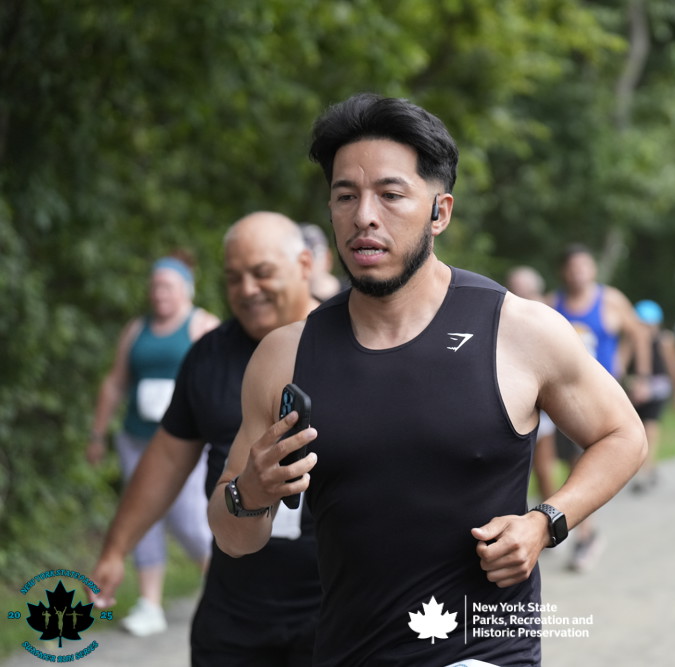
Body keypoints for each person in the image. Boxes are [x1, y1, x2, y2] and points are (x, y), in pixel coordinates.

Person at [208, 93, 647, 667]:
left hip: (485, 650)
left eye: (390, 195)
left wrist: (545, 522)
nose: (364, 215)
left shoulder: (518, 330)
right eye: (346, 195)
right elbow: (235, 537)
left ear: (440, 212)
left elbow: (623, 435)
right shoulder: (285, 355)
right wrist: (251, 491)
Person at [90, 212, 323, 665]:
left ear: (304, 265)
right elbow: (166, 459)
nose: (247, 289)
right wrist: (116, 549)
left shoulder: (354, 343)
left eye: (262, 273)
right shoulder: (209, 355)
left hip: (336, 609)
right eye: (234, 278)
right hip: (235, 609)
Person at [87, 252, 219, 636]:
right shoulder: (136, 329)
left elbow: (221, 381)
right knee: (141, 516)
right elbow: (115, 382)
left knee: (191, 520)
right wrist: (97, 433)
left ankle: (225, 585)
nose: (160, 293)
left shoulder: (202, 325)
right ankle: (149, 604)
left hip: (185, 442)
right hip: (136, 438)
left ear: (185, 290)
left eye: (168, 286)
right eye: (155, 286)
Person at [548, 243, 651, 571]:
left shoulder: (610, 300)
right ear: (564, 271)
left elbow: (639, 333)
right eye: (572, 266)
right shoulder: (552, 303)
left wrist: (639, 373)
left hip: (601, 396)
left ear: (593, 269)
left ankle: (585, 536)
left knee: (585, 463)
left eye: (584, 265)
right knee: (567, 462)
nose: (578, 272)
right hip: (562, 396)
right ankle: (577, 530)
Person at [505, 265, 559, 502]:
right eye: (513, 287)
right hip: (512, 397)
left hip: (541, 399)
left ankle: (551, 516)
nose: (517, 291)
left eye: (523, 288)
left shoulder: (546, 313)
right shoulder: (505, 310)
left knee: (544, 467)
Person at [624, 299, 675, 493]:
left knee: (650, 429)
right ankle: (646, 467)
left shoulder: (665, 340)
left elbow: (673, 367)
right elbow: (621, 366)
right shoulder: (630, 340)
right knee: (637, 431)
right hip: (635, 389)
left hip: (658, 388)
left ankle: (645, 469)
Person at [299, 222, 342, 300]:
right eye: (300, 259)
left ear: (328, 258)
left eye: (313, 256)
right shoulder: (290, 301)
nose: (306, 264)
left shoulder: (355, 293)